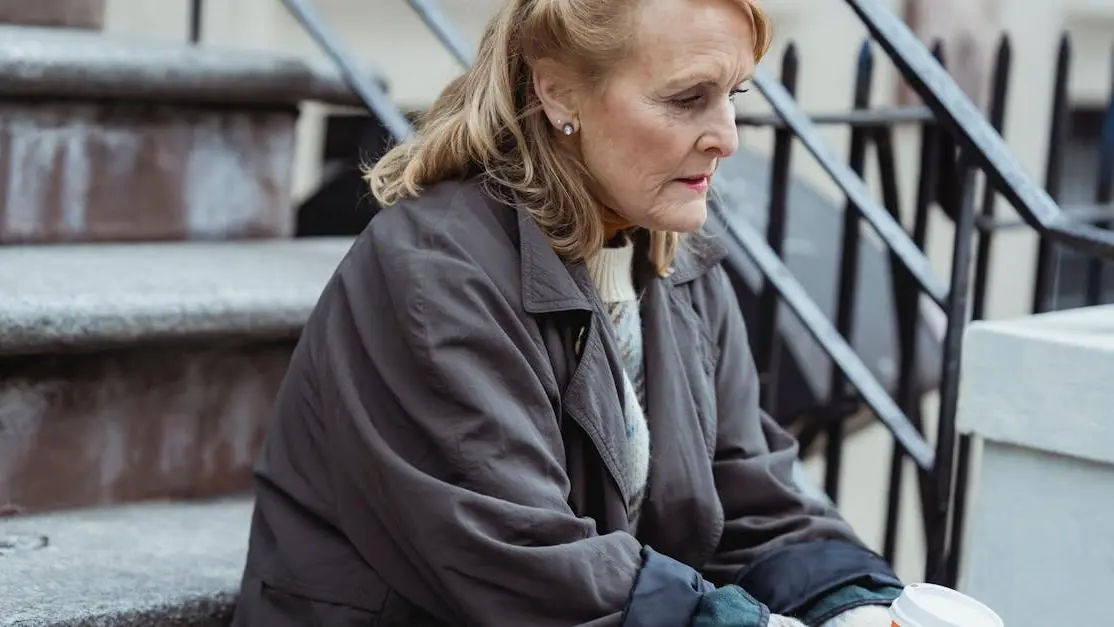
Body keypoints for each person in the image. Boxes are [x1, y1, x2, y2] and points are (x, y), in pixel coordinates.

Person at [232, 0, 905, 625]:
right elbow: (521, 556)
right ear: (557, 93)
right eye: (686, 98)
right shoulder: (435, 274)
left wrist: (857, 604)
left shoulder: (675, 257)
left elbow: (751, 501)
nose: (726, 137)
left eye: (733, 96)